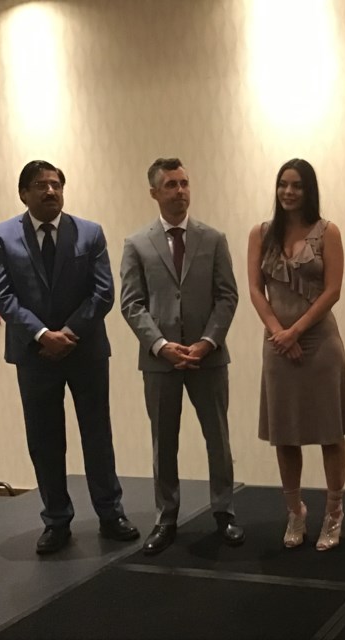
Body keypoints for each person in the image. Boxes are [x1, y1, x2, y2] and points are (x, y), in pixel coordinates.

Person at [0, 160, 139, 555]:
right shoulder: (2, 237)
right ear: (24, 193)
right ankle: (56, 520)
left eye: (56, 184)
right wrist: (41, 334)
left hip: (84, 349)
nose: (51, 191)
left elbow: (103, 292)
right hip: (33, 354)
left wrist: (68, 333)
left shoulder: (89, 233)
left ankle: (110, 513)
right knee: (44, 440)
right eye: (41, 185)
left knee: (97, 434)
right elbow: (3, 296)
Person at [120, 157, 243, 554]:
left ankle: (224, 512)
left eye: (185, 183)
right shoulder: (136, 243)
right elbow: (131, 303)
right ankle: (165, 517)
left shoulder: (213, 238)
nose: (180, 191)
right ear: (154, 192)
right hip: (160, 361)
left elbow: (227, 296)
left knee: (218, 438)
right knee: (164, 441)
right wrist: (161, 345)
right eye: (171, 185)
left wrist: (208, 342)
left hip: (208, 358)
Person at [246, 158, 345, 551]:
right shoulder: (261, 234)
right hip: (278, 345)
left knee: (329, 432)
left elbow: (333, 291)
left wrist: (296, 330)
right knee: (286, 434)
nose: (289, 192)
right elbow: (256, 291)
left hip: (319, 343)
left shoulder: (328, 232)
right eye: (283, 184)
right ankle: (295, 511)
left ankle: (334, 512)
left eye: (297, 185)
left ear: (309, 190)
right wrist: (280, 333)